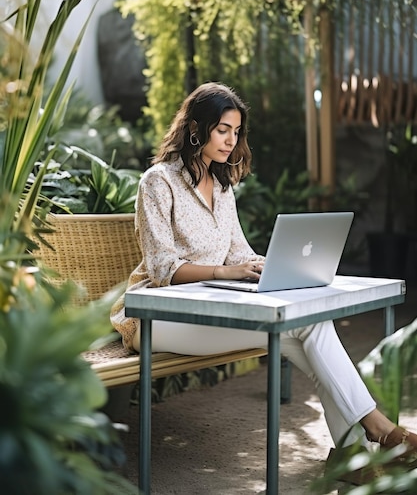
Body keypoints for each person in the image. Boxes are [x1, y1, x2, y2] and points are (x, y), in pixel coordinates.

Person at [110, 82, 417, 484]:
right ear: (196, 129)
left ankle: (354, 454)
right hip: (159, 316)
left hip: (214, 309)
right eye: (223, 130)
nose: (231, 141)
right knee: (309, 327)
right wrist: (223, 272)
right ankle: (376, 431)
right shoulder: (158, 182)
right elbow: (162, 265)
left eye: (236, 132)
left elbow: (239, 253)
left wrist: (279, 265)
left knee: (309, 327)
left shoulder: (223, 187)